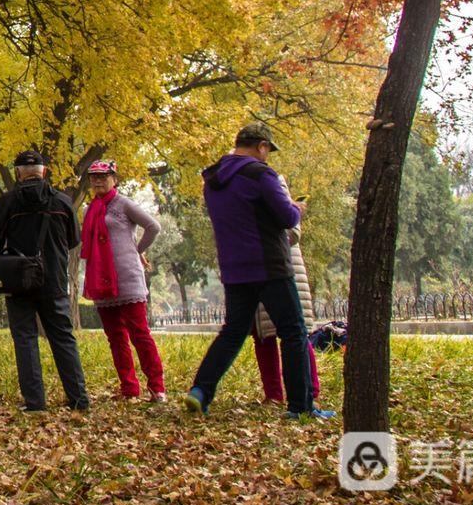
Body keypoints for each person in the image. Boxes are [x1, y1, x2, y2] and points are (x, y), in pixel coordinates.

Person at [183, 123, 331, 419]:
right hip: (269, 265)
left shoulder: (212, 181)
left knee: (234, 332)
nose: (268, 157)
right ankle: (301, 407)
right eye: (268, 151)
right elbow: (286, 217)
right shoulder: (262, 174)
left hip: (234, 268)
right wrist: (297, 208)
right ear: (262, 146)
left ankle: (201, 389)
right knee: (293, 332)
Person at [0, 149, 89, 412]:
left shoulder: (7, 203)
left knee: (25, 338)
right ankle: (79, 399)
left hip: (18, 281)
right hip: (54, 280)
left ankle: (35, 402)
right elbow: (74, 240)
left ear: (18, 173)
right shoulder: (63, 203)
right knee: (63, 338)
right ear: (43, 171)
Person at [78, 159, 166, 402]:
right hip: (100, 279)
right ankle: (129, 387)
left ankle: (157, 387)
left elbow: (153, 226)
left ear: (114, 178)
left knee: (140, 334)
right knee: (115, 337)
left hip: (127, 277)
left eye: (103, 176)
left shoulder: (123, 204)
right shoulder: (89, 209)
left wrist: (137, 249)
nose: (97, 180)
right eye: (93, 177)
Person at [253, 218, 320, 405]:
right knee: (264, 337)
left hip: (283, 268)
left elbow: (293, 232)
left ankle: (310, 390)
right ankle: (273, 393)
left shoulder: (276, 189)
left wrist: (257, 242)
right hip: (257, 271)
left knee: (296, 335)